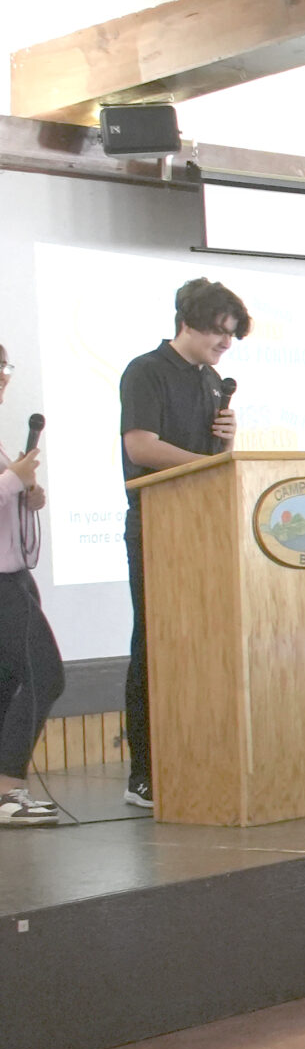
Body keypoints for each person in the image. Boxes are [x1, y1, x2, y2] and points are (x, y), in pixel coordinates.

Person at [119, 278, 246, 810]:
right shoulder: (146, 371)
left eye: (232, 335)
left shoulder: (212, 381)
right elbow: (141, 446)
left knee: (203, 644)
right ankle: (144, 773)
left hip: (205, 528)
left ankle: (195, 759)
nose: (226, 343)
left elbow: (212, 458)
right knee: (154, 645)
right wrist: (210, 464)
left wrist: (228, 442)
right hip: (157, 527)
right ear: (188, 322)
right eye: (220, 332)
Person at [0, 345, 64, 826]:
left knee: (9, 681)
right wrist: (12, 480)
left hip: (16, 576)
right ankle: (8, 789)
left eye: (4, 367)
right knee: (46, 674)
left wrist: (27, 492)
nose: (3, 377)